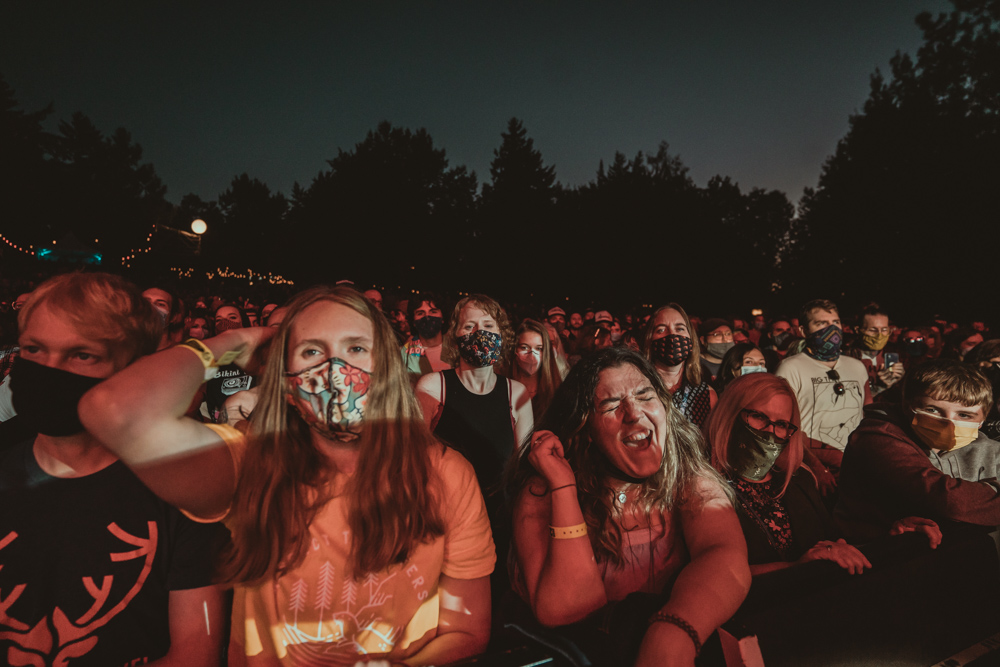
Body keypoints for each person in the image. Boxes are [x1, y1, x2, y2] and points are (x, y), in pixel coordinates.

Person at [81, 285, 495, 664]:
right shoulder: (248, 463)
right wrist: (233, 343)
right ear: (285, 384)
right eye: (312, 352)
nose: (335, 370)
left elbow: (467, 629)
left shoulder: (444, 473)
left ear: (387, 368)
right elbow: (115, 411)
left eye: (356, 348)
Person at [1, 272, 225, 665]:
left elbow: (195, 651)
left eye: (82, 355)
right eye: (34, 349)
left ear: (131, 371)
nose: (49, 369)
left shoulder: (182, 492)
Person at [506, 347, 750, 666]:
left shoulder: (687, 474)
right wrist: (564, 488)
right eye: (611, 405)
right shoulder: (541, 491)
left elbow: (724, 554)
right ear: (585, 428)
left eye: (645, 396)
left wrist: (673, 633)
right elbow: (568, 609)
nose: (634, 413)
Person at [705, 374, 882, 575]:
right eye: (759, 416)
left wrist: (891, 535)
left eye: (781, 424)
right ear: (729, 415)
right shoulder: (700, 488)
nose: (770, 431)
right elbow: (710, 574)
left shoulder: (799, 480)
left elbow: (833, 541)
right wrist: (796, 567)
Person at [835, 359, 1000, 543]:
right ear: (907, 406)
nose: (948, 423)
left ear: (982, 420)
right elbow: (945, 499)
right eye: (933, 410)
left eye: (963, 415)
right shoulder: (878, 437)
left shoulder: (988, 448)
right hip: (875, 551)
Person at [415, 294, 533, 497]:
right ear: (455, 338)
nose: (480, 333)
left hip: (498, 509)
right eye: (470, 326)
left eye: (488, 325)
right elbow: (413, 456)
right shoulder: (432, 387)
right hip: (446, 506)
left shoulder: (516, 393)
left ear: (501, 335)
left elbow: (523, 467)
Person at [775, 299, 870, 477]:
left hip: (854, 462)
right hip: (812, 465)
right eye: (821, 323)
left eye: (836, 322)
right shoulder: (790, 368)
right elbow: (783, 425)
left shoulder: (857, 367)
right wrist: (816, 465)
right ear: (803, 331)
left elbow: (868, 415)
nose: (832, 329)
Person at [643, 303, 717, 429]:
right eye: (661, 330)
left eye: (680, 329)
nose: (672, 335)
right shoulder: (637, 390)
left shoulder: (706, 395)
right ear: (649, 339)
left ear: (691, 337)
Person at [507, 319, 563, 419]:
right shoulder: (504, 387)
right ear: (515, 349)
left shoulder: (555, 391)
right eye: (524, 347)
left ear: (545, 352)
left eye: (539, 348)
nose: (532, 355)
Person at [847, 304, 905, 398]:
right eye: (873, 330)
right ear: (858, 330)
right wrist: (878, 388)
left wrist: (901, 381)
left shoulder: (894, 355)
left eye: (884, 330)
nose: (879, 335)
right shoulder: (847, 358)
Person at [401, 291, 450, 382]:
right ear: (413, 321)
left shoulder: (457, 349)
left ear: (443, 317)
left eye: (433, 312)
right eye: (420, 313)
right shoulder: (404, 354)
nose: (427, 317)